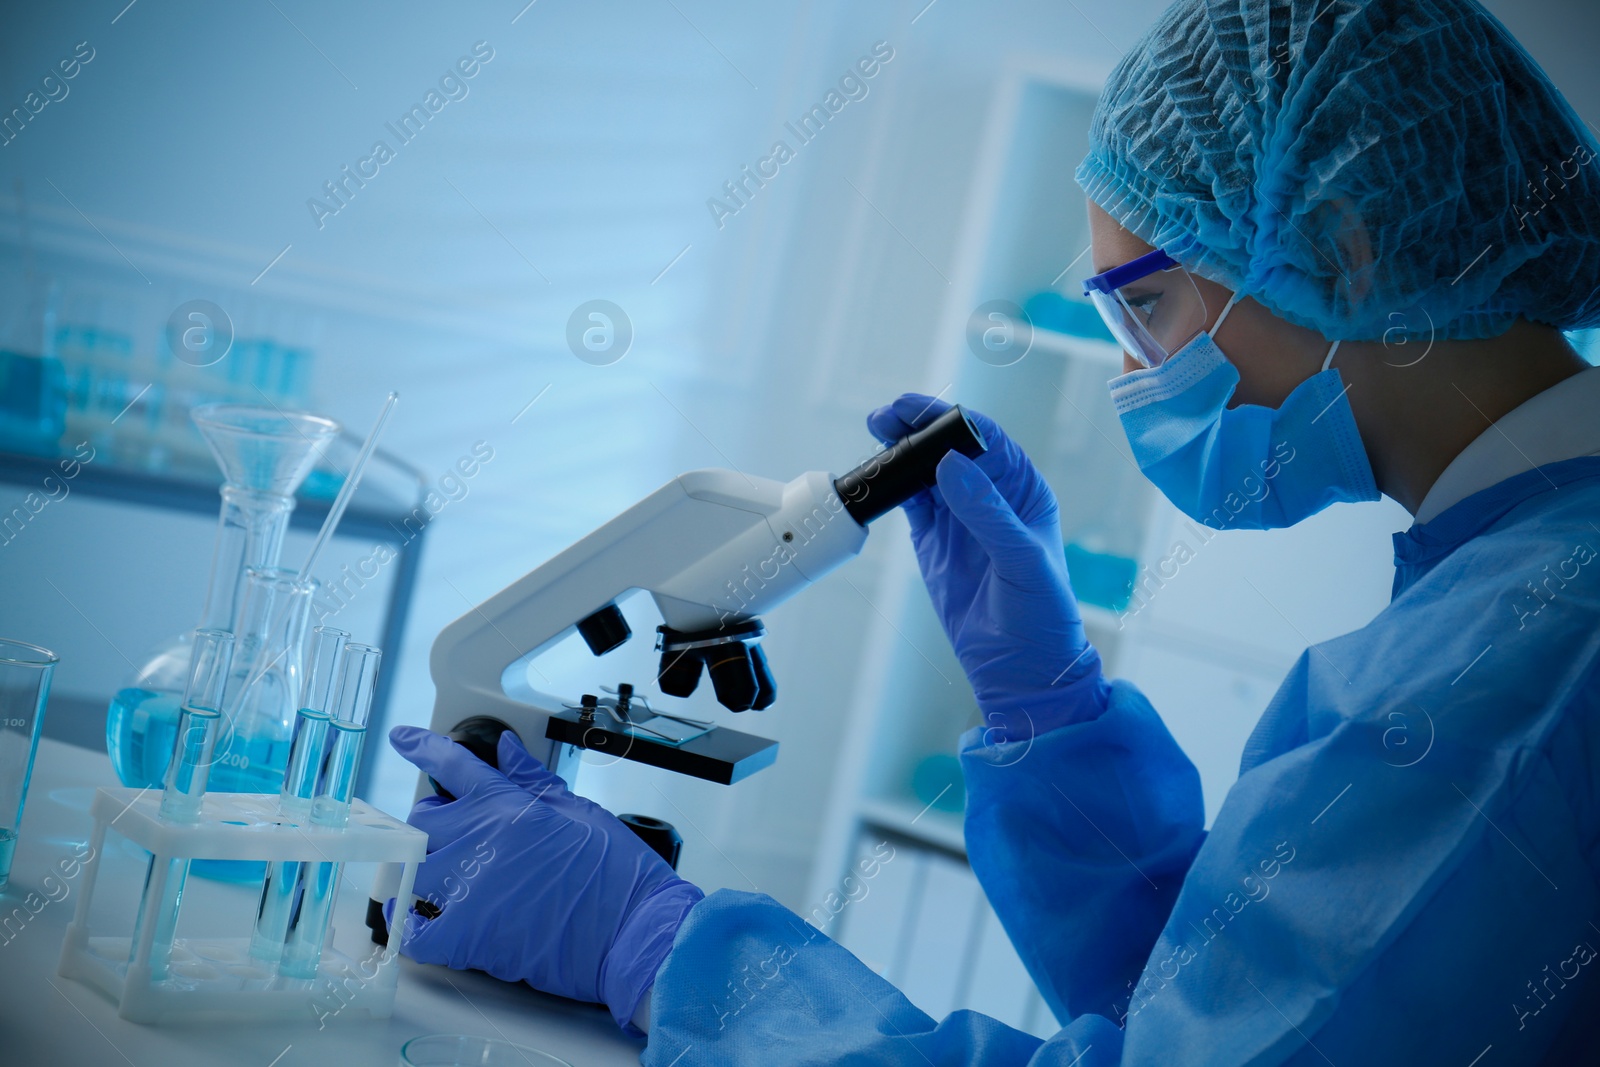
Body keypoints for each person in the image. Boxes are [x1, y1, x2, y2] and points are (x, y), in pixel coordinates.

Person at [387, 0, 1600, 1061]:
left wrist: (662, 949)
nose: (1137, 375)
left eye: (1150, 307)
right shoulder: (1497, 583)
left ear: (1341, 244)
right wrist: (1053, 714)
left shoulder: (1520, 674)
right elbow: (1235, 1003)